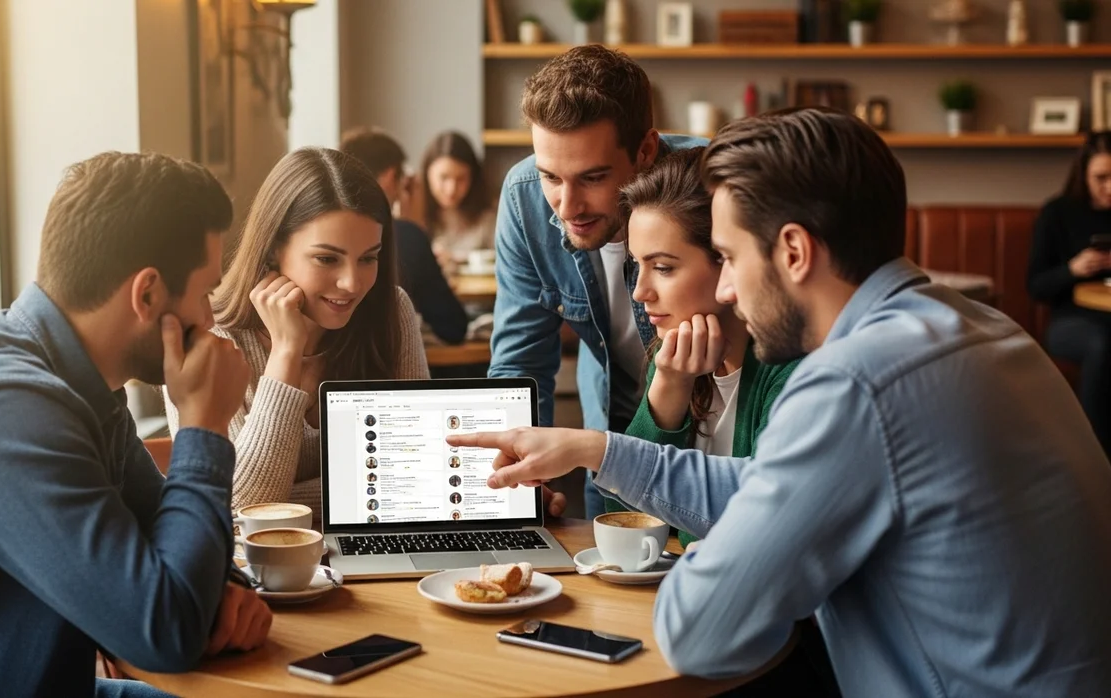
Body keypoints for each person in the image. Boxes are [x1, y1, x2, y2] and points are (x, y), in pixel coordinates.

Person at [453, 108, 1111, 695]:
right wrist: (601, 450)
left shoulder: (857, 381)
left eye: (730, 257)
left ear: (794, 251)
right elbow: (776, 486)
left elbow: (699, 631)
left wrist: (740, 547)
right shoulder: (980, 328)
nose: (729, 290)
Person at [0, 152, 273, 697]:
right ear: (148, 293)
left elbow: (161, 536)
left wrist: (217, 590)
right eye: (206, 293)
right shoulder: (1, 411)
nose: (209, 319)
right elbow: (165, 630)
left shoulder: (78, 383)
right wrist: (204, 424)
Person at [610, 146, 836, 696]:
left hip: (781, 650)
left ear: (727, 264)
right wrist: (668, 385)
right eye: (635, 267)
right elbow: (634, 516)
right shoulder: (681, 358)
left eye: (663, 267)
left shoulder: (793, 373)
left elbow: (754, 532)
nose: (640, 293)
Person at [487, 44, 705, 517]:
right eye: (551, 176)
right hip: (608, 407)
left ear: (645, 150)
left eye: (592, 178)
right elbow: (520, 362)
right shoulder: (525, 198)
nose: (566, 207)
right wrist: (520, 476)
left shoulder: (707, 187)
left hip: (706, 419)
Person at [164, 147, 429, 527]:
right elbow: (244, 509)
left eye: (368, 258)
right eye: (326, 259)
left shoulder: (391, 311)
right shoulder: (210, 335)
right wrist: (286, 351)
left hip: (375, 556)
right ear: (274, 249)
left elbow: (418, 476)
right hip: (264, 574)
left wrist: (289, 498)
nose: (352, 283)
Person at [340, 127, 468, 345]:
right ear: (391, 177)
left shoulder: (316, 232)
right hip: (387, 366)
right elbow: (453, 327)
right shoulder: (406, 236)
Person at [1028, 131, 1111, 453]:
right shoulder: (1058, 213)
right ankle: (1093, 454)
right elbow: (1035, 286)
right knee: (1103, 344)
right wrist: (1073, 270)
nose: (1110, 187)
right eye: (1101, 178)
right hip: (1070, 321)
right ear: (1083, 175)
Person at [420, 130, 495, 270]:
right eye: (443, 177)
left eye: (461, 179)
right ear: (428, 174)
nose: (451, 189)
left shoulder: (488, 219)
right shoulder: (413, 212)